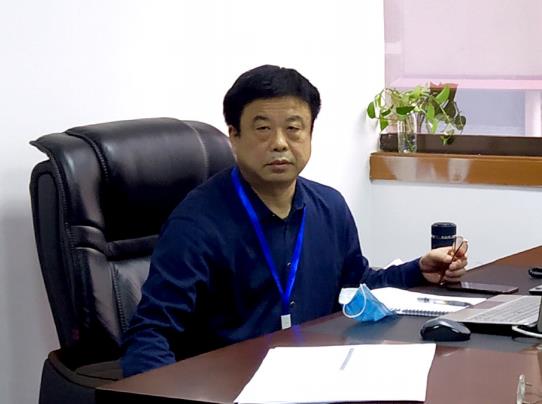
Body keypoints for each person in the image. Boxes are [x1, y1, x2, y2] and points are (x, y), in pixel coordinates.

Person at [121, 64, 468, 377]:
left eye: (293, 128)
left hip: (317, 377)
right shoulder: (196, 224)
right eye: (262, 129)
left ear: (310, 133)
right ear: (234, 136)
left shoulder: (329, 206)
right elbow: (152, 332)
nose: (279, 143)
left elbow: (353, 287)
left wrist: (417, 271)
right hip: (231, 387)